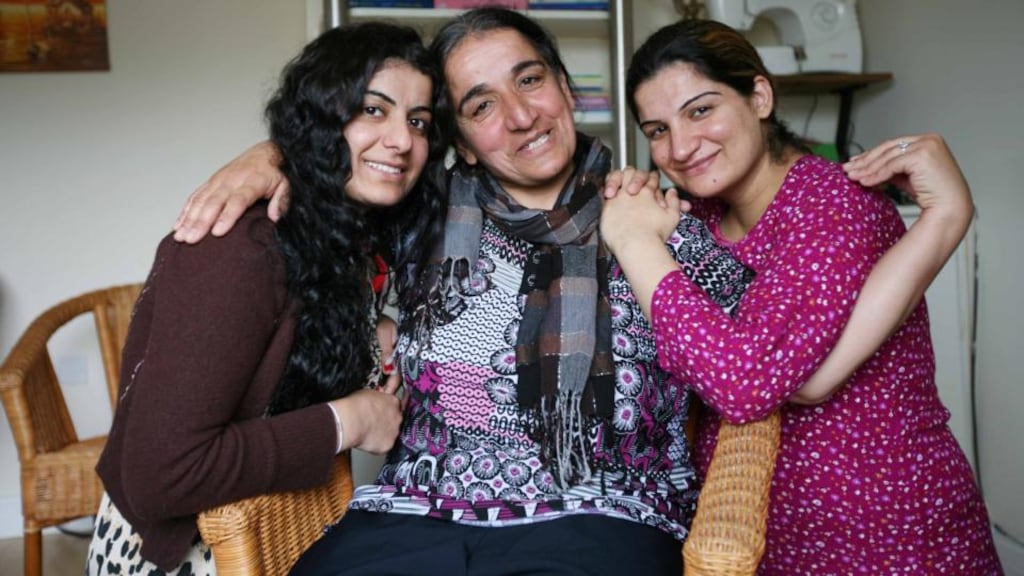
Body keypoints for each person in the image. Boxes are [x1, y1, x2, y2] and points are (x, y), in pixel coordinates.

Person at [171, 9, 982, 575]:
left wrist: (928, 224)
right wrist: (269, 155)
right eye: (482, 105)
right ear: (457, 134)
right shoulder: (418, 214)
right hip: (415, 512)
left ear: (566, 84)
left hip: (606, 517)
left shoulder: (656, 212)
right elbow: (335, 181)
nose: (521, 116)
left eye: (531, 80)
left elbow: (760, 348)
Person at [599, 18, 1002, 575]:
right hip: (760, 529)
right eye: (657, 129)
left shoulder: (830, 205)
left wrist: (633, 239)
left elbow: (744, 382)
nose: (681, 146)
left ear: (759, 96)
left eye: (700, 110)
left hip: (882, 531)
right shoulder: (702, 218)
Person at [85, 22, 446, 575]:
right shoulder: (242, 248)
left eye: (417, 121)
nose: (402, 140)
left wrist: (377, 343)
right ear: (323, 116)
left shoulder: (347, 234)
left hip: (290, 538)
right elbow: (162, 475)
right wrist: (348, 421)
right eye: (373, 110)